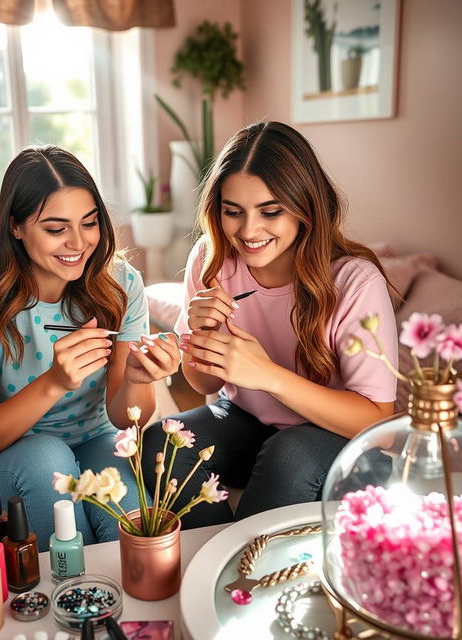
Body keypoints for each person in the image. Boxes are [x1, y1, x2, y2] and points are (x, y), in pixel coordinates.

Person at [142, 121, 398, 528]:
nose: (248, 231)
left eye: (270, 211)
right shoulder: (211, 258)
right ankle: (213, 560)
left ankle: (240, 578)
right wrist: (204, 334)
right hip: (247, 424)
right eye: (233, 212)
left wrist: (268, 376)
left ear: (305, 207)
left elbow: (378, 421)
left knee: (290, 452)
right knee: (163, 443)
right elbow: (204, 385)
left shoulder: (354, 280)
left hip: (335, 441)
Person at [0, 145, 180, 549]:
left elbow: (126, 420)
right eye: (55, 228)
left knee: (133, 511)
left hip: (93, 439)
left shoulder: (122, 283)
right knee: (47, 459)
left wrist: (137, 378)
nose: (78, 243)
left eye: (89, 223)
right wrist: (54, 382)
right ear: (15, 227)